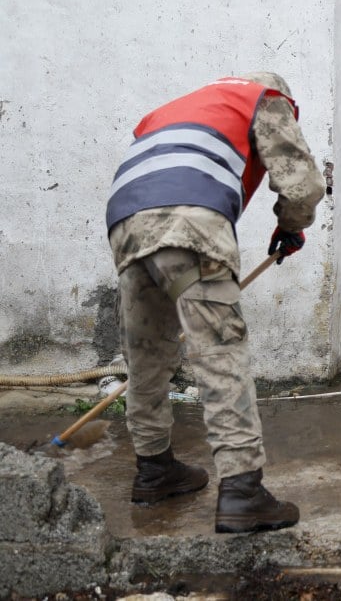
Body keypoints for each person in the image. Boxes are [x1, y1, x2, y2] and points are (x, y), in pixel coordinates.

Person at [105, 72, 325, 532]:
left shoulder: (181, 106)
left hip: (126, 218)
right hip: (189, 221)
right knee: (219, 351)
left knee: (147, 354)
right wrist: (290, 227)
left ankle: (154, 468)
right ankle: (243, 488)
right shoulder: (265, 99)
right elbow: (301, 185)